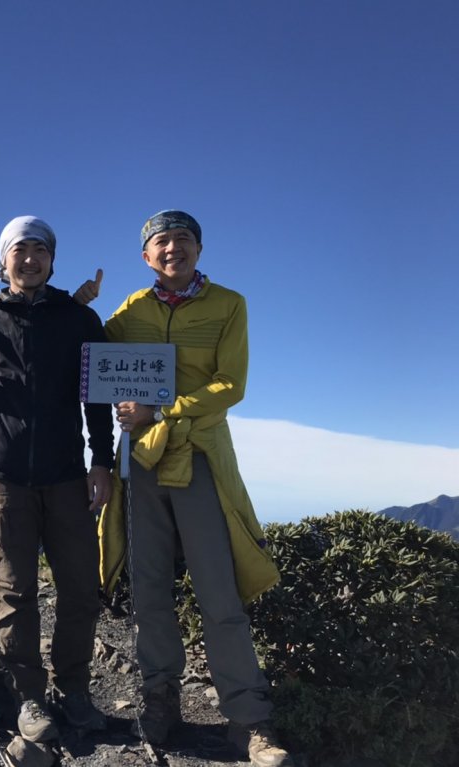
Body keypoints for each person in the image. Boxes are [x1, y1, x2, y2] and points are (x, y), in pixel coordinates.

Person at [75, 210, 293, 767]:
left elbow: (231, 384)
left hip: (198, 458)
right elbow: (94, 357)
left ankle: (249, 722)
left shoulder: (229, 304)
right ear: (146, 256)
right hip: (141, 466)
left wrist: (162, 410)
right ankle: (159, 702)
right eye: (160, 242)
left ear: (199, 249)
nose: (172, 249)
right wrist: (72, 310)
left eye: (182, 240)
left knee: (218, 593)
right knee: (149, 593)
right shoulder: (132, 309)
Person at [0, 215, 114, 742]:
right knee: (15, 591)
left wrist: (102, 462)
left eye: (40, 249)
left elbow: (97, 398)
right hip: (6, 475)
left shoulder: (78, 319)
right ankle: (30, 699)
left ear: (51, 260)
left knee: (81, 588)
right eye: (20, 249)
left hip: (67, 472)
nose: (30, 257)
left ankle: (75, 689)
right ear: (4, 261)